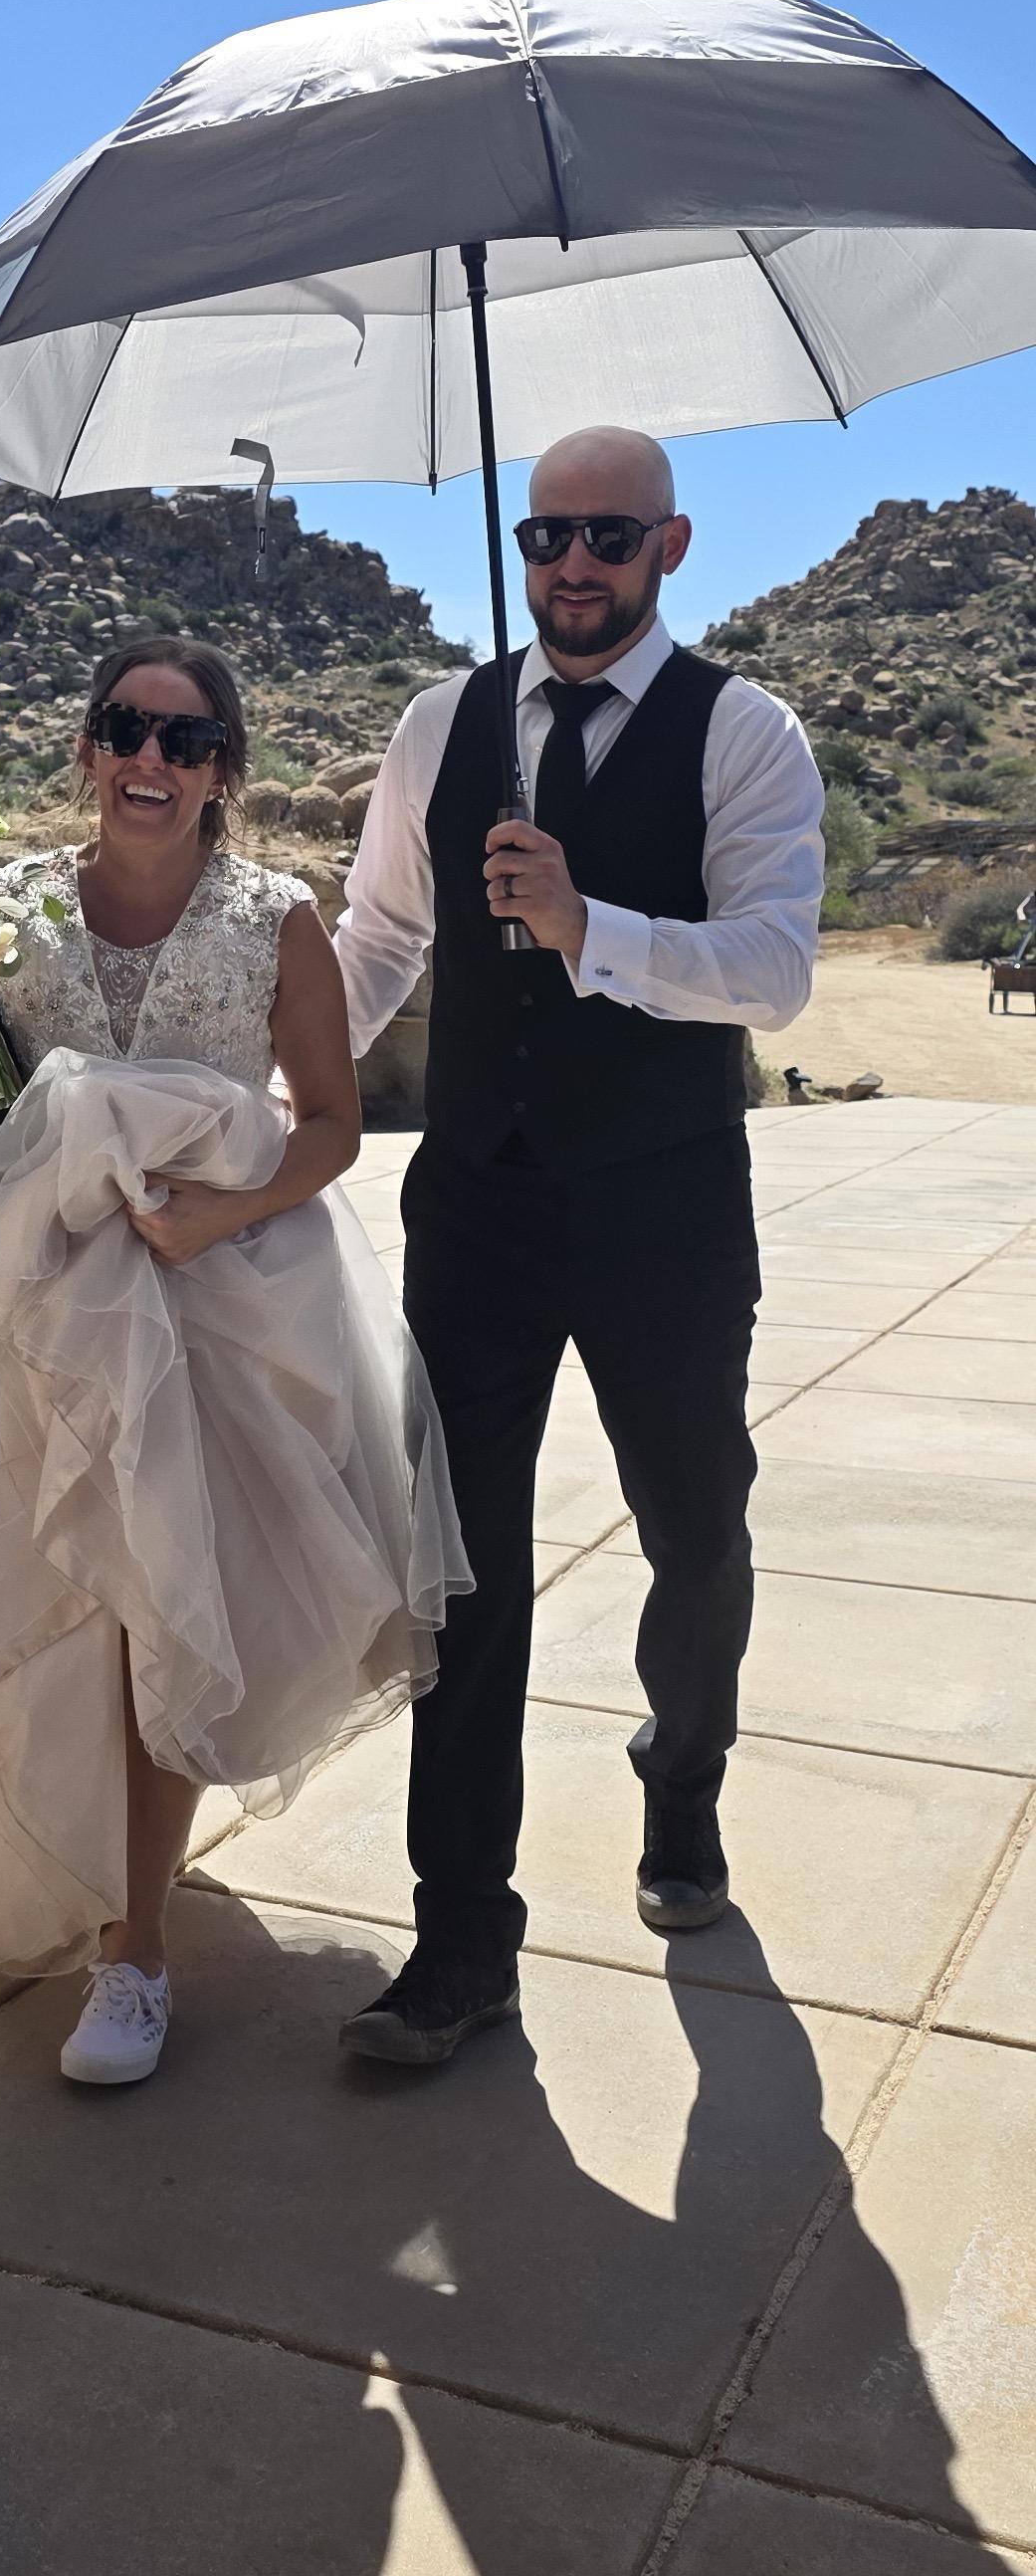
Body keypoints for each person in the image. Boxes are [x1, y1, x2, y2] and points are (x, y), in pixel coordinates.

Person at [0, 637, 468, 2088]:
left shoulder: (277, 920)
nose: (150, 761)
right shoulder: (10, 906)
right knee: (52, 1605)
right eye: (125, 729)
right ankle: (67, 1868)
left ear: (223, 770)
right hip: (40, 1312)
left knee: (161, 1606)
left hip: (224, 1304)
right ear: (88, 750)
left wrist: (223, 1215)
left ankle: (139, 1952)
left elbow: (332, 1123)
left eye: (185, 741)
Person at [330, 426, 825, 2070]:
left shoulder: (746, 733)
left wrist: (585, 926)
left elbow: (773, 970)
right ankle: (462, 1933)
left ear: (671, 546)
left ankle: (682, 1774)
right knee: (463, 1561)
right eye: (547, 537)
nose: (574, 566)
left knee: (697, 1528)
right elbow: (381, 936)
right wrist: (267, 1092)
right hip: (479, 1203)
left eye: (610, 536)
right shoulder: (442, 724)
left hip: (664, 1209)